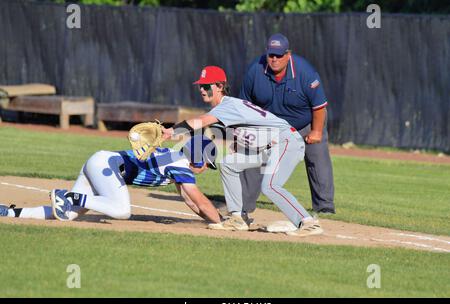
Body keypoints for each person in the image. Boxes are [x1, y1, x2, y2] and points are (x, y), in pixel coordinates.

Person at [162, 65, 323, 237]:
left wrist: (172, 131)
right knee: (228, 164)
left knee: (270, 186)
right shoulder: (225, 108)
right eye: (200, 85)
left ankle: (308, 223)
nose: (202, 89)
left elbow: (200, 121)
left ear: (219, 86)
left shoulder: (227, 106)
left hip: (286, 141)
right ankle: (237, 218)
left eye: (207, 85)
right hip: (268, 147)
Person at [0, 135, 222, 225]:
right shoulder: (181, 165)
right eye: (207, 165)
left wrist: (213, 220)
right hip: (107, 166)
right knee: (122, 210)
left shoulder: (175, 160)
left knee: (67, 214)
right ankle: (67, 195)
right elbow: (200, 200)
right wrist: (223, 223)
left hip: (101, 162)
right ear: (201, 160)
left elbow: (191, 202)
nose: (205, 169)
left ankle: (9, 213)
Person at [239, 33, 335, 215]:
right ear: (266, 53)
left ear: (288, 55)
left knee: (317, 158)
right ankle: (243, 207)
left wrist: (316, 131)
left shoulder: (305, 72)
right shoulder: (254, 70)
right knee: (252, 157)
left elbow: (319, 106)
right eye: (271, 55)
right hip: (269, 126)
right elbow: (245, 105)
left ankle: (325, 207)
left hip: (304, 123)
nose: (274, 59)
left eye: (279, 55)